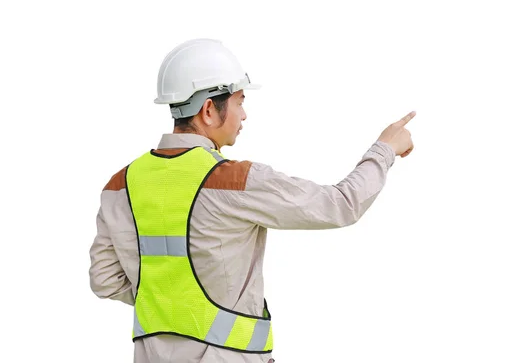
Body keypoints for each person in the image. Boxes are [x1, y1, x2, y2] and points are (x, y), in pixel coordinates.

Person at [88, 38, 416, 363]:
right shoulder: (234, 181)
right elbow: (341, 204)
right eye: (239, 101)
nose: (244, 115)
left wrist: (167, 303)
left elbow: (104, 281)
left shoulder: (120, 185)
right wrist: (384, 149)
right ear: (207, 110)